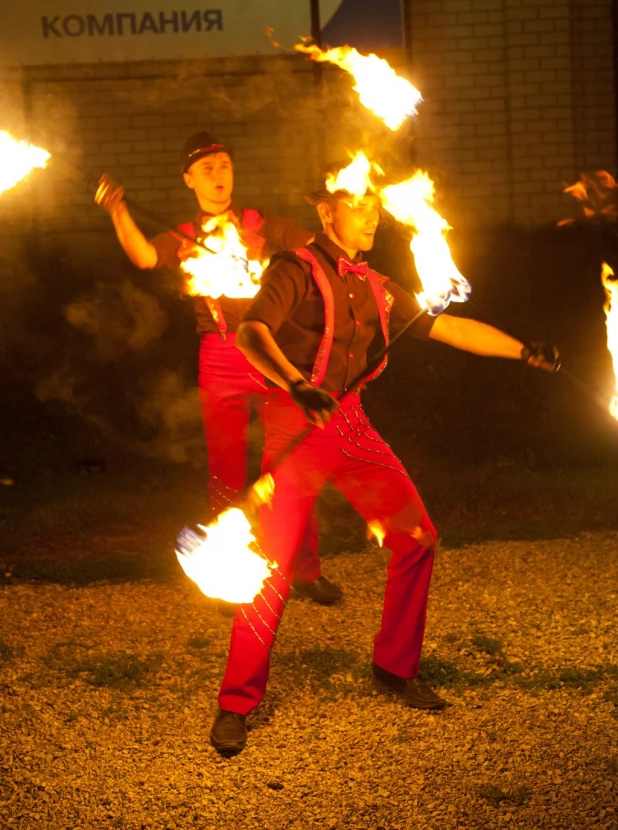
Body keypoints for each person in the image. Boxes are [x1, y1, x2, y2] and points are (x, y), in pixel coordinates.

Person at [209, 182, 560, 754]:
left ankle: (395, 667)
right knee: (270, 569)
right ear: (327, 213)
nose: (371, 216)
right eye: (358, 205)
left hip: (349, 424)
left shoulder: (377, 285)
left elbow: (448, 328)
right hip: (295, 425)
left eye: (375, 206)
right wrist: (298, 385)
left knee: (417, 536)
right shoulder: (293, 269)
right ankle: (235, 703)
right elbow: (251, 333)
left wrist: (523, 351)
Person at [94, 132, 342, 606]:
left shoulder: (260, 223)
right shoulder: (184, 234)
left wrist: (329, 216)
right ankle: (229, 571)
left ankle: (305, 571)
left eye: (225, 165)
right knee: (226, 472)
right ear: (189, 180)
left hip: (272, 353)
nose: (219, 175)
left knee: (289, 464)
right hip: (219, 354)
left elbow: (315, 244)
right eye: (207, 168)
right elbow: (145, 257)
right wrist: (117, 211)